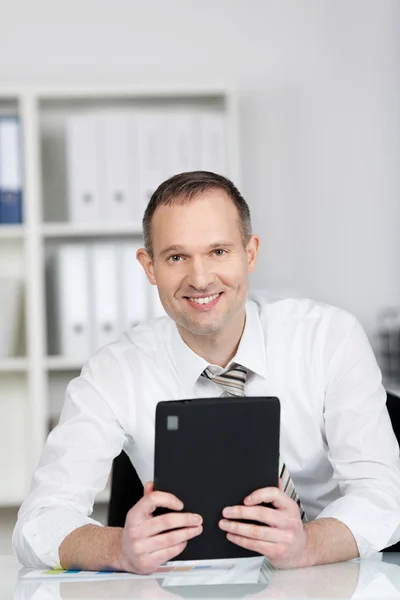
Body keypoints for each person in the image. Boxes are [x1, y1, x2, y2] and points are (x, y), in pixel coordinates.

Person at [13, 171, 400, 574]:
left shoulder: (328, 339)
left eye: (218, 251)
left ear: (250, 253)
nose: (199, 279)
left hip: (330, 574)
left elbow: (384, 496)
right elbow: (38, 523)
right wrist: (117, 549)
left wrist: (308, 545)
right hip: (191, 583)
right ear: (149, 266)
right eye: (176, 257)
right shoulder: (114, 371)